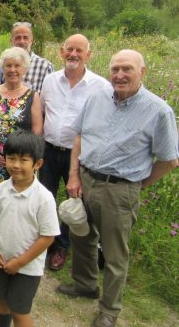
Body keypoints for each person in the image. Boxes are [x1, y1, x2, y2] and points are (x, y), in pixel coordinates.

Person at [57, 50, 179, 327]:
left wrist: (136, 186)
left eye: (127, 69)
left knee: (114, 253)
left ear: (142, 72)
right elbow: (79, 136)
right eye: (115, 69)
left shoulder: (159, 111)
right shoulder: (97, 97)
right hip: (85, 180)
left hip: (120, 190)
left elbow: (170, 160)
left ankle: (109, 309)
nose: (119, 75)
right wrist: (74, 175)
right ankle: (85, 285)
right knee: (81, 236)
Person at [39, 34, 109, 271]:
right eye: (70, 49)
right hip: (48, 151)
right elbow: (43, 112)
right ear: (61, 51)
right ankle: (44, 240)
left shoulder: (101, 87)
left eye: (79, 50)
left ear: (88, 55)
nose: (74, 55)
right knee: (45, 197)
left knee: (73, 202)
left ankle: (62, 246)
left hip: (78, 156)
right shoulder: (49, 81)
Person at [0, 131, 60, 327]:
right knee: (2, 302)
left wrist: (19, 262)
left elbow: (47, 237)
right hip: (2, 260)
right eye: (11, 158)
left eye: (23, 160)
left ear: (38, 164)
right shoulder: (1, 189)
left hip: (27, 267)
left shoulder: (43, 198)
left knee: (19, 312)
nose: (16, 165)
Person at [0, 47, 43, 180]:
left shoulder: (32, 96)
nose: (12, 70)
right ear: (2, 68)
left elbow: (37, 133)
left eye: (17, 65)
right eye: (8, 65)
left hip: (19, 164)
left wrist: (19, 159)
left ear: (24, 69)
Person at [9, 22, 53, 93]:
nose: (22, 41)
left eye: (25, 38)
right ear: (11, 41)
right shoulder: (3, 66)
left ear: (32, 40)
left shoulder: (45, 66)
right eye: (18, 38)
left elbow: (49, 97)